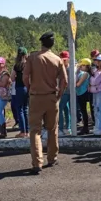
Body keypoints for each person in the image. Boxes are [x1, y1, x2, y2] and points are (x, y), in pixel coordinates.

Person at [23, 31, 68, 174]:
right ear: (52, 44)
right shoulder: (57, 59)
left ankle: (37, 163)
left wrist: (30, 89)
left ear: (41, 43)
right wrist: (59, 94)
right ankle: (52, 158)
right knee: (52, 128)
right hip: (51, 97)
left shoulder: (32, 57)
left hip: (36, 96)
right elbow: (64, 81)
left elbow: (25, 77)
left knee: (35, 131)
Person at [11, 47, 30, 138]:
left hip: (19, 87)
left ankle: (23, 131)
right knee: (26, 109)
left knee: (20, 109)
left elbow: (12, 78)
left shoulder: (17, 66)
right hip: (27, 87)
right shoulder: (28, 64)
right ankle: (27, 130)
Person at [75, 59, 92, 135]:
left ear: (86, 66)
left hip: (84, 93)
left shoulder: (85, 74)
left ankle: (85, 127)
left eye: (82, 66)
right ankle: (85, 127)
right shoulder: (80, 73)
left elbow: (78, 84)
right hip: (79, 93)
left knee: (84, 111)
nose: (80, 67)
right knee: (82, 111)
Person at [58, 51, 72, 136]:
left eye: (65, 60)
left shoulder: (68, 69)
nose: (63, 61)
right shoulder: (65, 68)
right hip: (66, 91)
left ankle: (61, 128)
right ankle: (68, 127)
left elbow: (64, 81)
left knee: (59, 108)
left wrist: (60, 90)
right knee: (66, 109)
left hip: (66, 91)